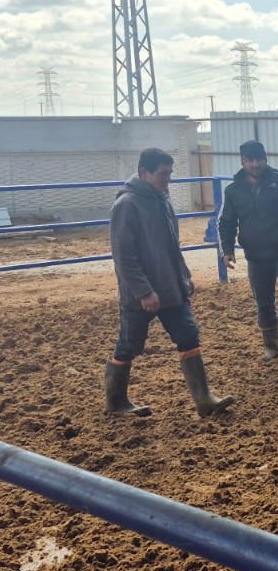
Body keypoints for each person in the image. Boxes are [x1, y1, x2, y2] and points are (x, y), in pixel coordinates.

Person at [104, 148, 234, 418]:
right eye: (163, 174)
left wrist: (183, 275)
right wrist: (144, 291)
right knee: (130, 345)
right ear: (144, 173)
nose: (168, 179)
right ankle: (116, 401)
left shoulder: (161, 199)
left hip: (170, 288)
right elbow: (124, 256)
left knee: (188, 334)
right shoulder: (127, 205)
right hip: (141, 295)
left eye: (170, 173)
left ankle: (204, 399)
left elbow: (171, 246)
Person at [217, 140, 278, 362]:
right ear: (243, 162)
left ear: (265, 159)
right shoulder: (233, 190)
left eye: (259, 159)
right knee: (264, 303)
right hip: (256, 256)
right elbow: (226, 222)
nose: (255, 164)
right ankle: (271, 347)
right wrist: (227, 250)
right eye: (250, 160)